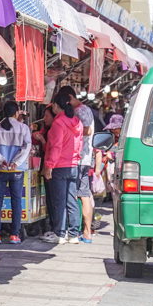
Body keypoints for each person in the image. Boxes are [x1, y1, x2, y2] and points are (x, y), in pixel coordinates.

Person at [0, 101, 32, 245]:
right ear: (17, 112)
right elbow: (27, 147)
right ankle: (14, 235)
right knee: (16, 201)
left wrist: (2, 160)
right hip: (16, 170)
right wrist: (15, 163)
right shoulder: (23, 128)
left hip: (0, 169)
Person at [41, 93, 82, 244]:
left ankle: (59, 233)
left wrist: (49, 165)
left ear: (55, 106)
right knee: (72, 200)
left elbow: (55, 147)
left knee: (59, 201)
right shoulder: (77, 122)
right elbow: (80, 144)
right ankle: (73, 234)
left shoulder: (58, 124)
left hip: (59, 166)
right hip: (73, 165)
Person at [57, 86, 96, 243]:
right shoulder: (84, 109)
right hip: (83, 159)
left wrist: (69, 130)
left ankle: (85, 231)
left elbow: (86, 131)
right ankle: (84, 231)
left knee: (81, 195)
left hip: (81, 159)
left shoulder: (80, 111)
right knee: (82, 194)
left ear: (69, 98)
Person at [33, 105, 57, 236]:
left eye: (47, 116)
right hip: (47, 166)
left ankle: (55, 227)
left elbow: (52, 149)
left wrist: (42, 140)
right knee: (50, 198)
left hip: (51, 167)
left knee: (53, 198)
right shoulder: (46, 129)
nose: (44, 118)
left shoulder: (54, 130)